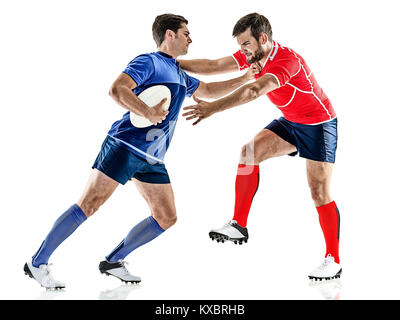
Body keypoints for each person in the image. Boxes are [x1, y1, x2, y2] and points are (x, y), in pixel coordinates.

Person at [24, 13, 257, 290]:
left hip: (152, 157)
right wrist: (147, 111)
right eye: (186, 33)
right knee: (89, 205)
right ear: (169, 35)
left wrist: (245, 78)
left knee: (166, 216)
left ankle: (114, 261)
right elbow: (117, 89)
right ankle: (37, 263)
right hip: (125, 145)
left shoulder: (179, 72)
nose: (190, 38)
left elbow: (206, 89)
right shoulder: (149, 61)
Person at [180, 13, 341, 281]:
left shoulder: (286, 61)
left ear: (262, 39)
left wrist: (212, 108)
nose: (242, 50)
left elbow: (255, 91)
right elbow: (214, 64)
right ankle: (239, 225)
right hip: (291, 122)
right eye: (241, 45)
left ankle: (333, 260)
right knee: (249, 152)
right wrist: (175, 62)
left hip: (318, 125)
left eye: (246, 44)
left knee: (318, 192)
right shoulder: (253, 55)